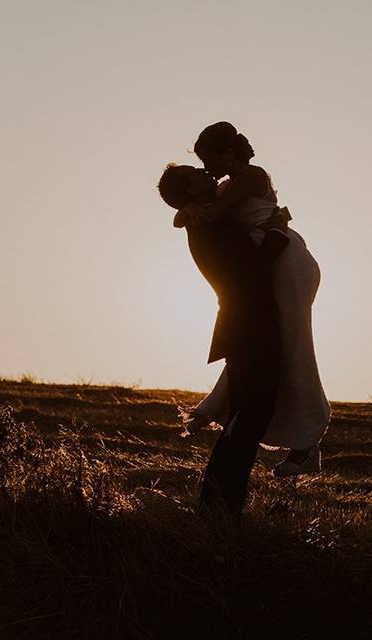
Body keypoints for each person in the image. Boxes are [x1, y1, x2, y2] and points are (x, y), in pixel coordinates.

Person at [158, 164, 284, 515]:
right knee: (250, 416)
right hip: (249, 326)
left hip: (245, 326)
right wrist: (276, 232)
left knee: (248, 416)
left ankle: (220, 505)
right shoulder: (208, 226)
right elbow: (249, 272)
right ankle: (220, 507)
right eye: (195, 172)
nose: (205, 172)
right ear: (190, 190)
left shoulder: (205, 219)